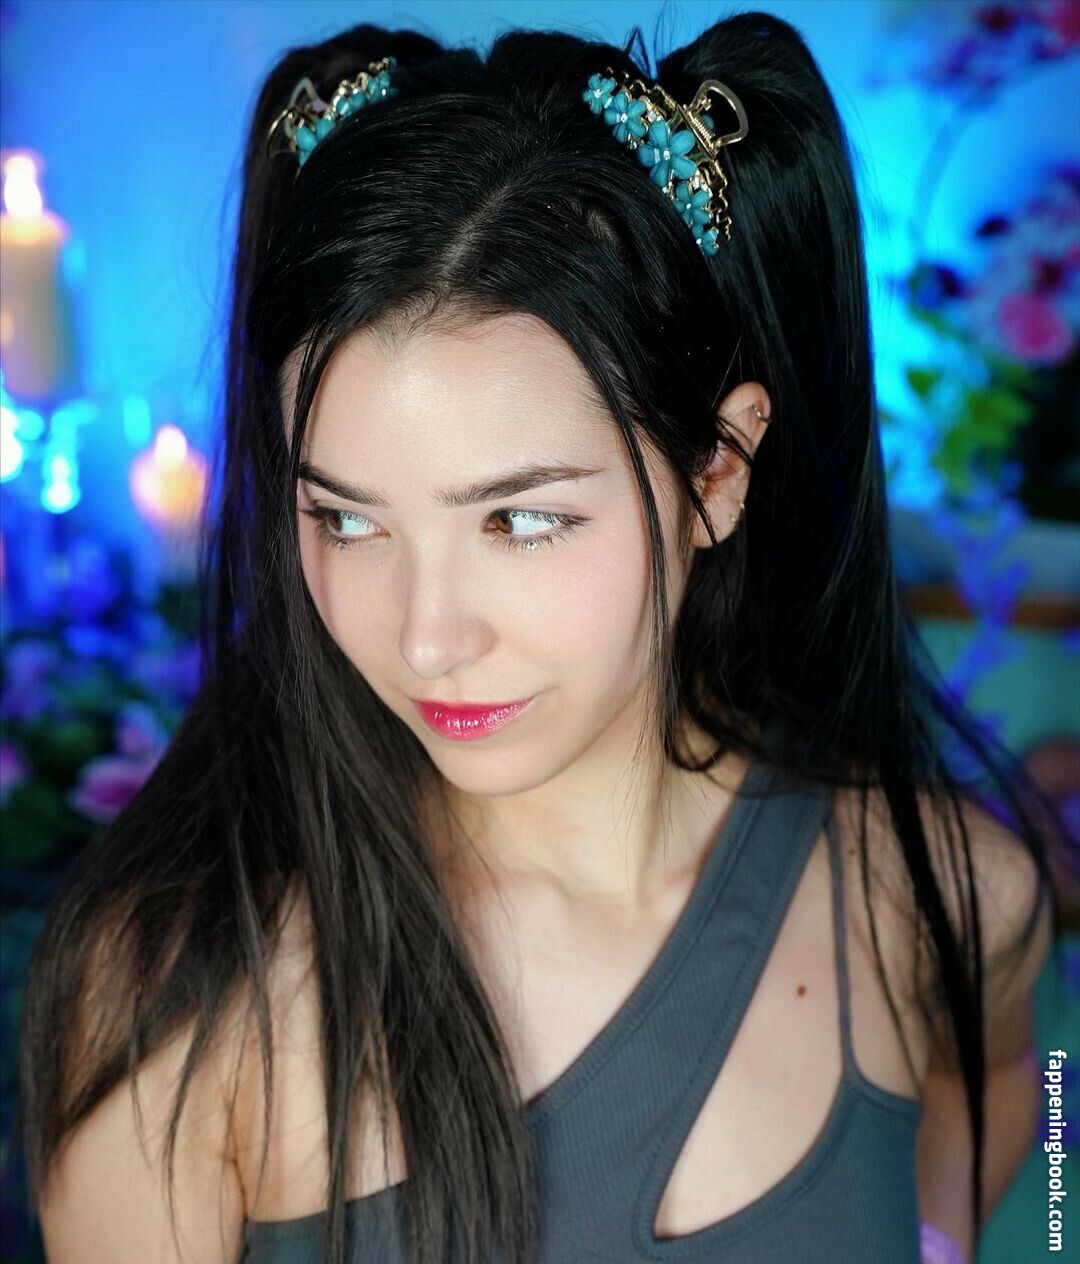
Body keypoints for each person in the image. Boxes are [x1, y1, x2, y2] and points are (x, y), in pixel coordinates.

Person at [12, 12, 1067, 1264]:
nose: (427, 638)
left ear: (718, 469)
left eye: (519, 519)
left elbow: (1024, 1094)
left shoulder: (946, 893)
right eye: (346, 519)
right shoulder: (188, 1000)